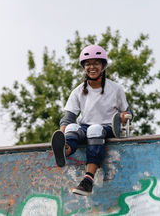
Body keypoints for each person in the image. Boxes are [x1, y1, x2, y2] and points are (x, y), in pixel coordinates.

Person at [51, 45, 133, 196]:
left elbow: (128, 113)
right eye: (88, 64)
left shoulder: (116, 89)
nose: (92, 67)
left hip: (107, 128)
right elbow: (68, 118)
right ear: (84, 67)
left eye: (96, 63)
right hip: (85, 128)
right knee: (72, 128)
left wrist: (124, 117)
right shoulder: (77, 92)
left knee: (94, 128)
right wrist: (61, 136)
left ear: (103, 66)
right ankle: (65, 150)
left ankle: (88, 180)